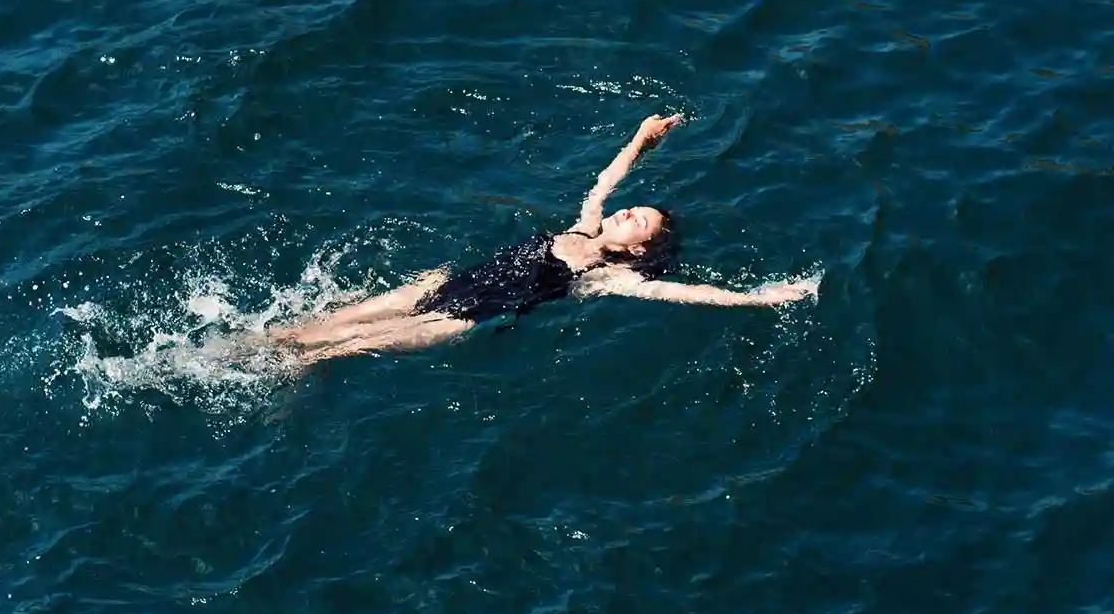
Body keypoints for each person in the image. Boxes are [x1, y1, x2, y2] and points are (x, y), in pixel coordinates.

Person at [268, 113, 819, 366]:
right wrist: (641, 140)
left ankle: (274, 366)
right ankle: (259, 345)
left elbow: (683, 293)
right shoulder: (582, 224)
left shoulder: (609, 277)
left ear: (635, 250)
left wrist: (758, 297)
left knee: (336, 348)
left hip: (461, 319)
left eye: (637, 222)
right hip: (447, 284)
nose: (626, 213)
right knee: (328, 322)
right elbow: (608, 179)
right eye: (633, 210)